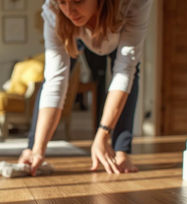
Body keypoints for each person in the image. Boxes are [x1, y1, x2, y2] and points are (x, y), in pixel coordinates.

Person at [18, 0, 153, 175]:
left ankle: (122, 151)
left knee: (129, 73)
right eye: (63, 2)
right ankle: (33, 148)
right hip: (78, 35)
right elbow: (54, 82)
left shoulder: (134, 4)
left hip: (117, 30)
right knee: (51, 80)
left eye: (77, 1)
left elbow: (124, 71)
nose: (70, 10)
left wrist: (103, 133)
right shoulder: (54, 11)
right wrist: (37, 148)